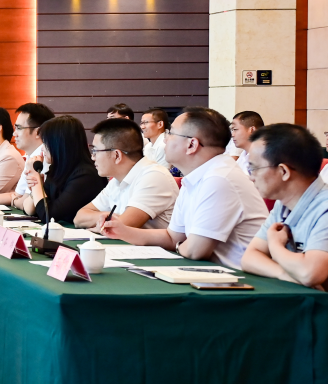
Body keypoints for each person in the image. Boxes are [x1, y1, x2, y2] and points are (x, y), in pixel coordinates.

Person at [102, 107, 267, 269]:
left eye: (171, 133)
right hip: (213, 274)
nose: (165, 140)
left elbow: (195, 251)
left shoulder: (219, 179)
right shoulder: (196, 177)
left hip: (243, 279)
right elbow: (172, 236)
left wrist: (178, 246)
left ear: (191, 144)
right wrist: (123, 231)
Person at [241, 124, 328, 289]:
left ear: (284, 171)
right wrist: (285, 274)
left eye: (254, 168)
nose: (251, 177)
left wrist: (275, 246)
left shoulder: (324, 207)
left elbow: (310, 273)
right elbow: (250, 258)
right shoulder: (283, 204)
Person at [74, 117, 178, 230]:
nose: (93, 157)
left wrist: (108, 222)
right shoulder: (116, 181)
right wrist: (106, 217)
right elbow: (79, 218)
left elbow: (120, 228)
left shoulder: (154, 176)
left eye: (95, 151)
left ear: (117, 155)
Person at [13, 115, 107, 223]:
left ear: (60, 144)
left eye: (46, 143)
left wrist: (36, 182)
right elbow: (29, 210)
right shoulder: (57, 169)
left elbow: (48, 215)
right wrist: (37, 185)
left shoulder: (85, 175)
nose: (42, 148)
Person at [229, 111, 264, 175]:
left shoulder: (264, 157)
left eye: (235, 129)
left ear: (252, 130)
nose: (232, 135)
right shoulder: (243, 155)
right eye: (232, 130)